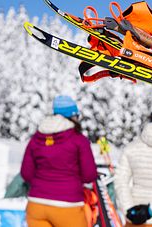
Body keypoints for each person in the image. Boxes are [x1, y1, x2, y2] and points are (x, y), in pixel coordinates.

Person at [20, 95, 98, 227]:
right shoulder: (79, 140)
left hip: (36, 204)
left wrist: (43, 184)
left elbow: (26, 173)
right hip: (67, 205)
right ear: (73, 116)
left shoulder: (37, 138)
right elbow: (89, 175)